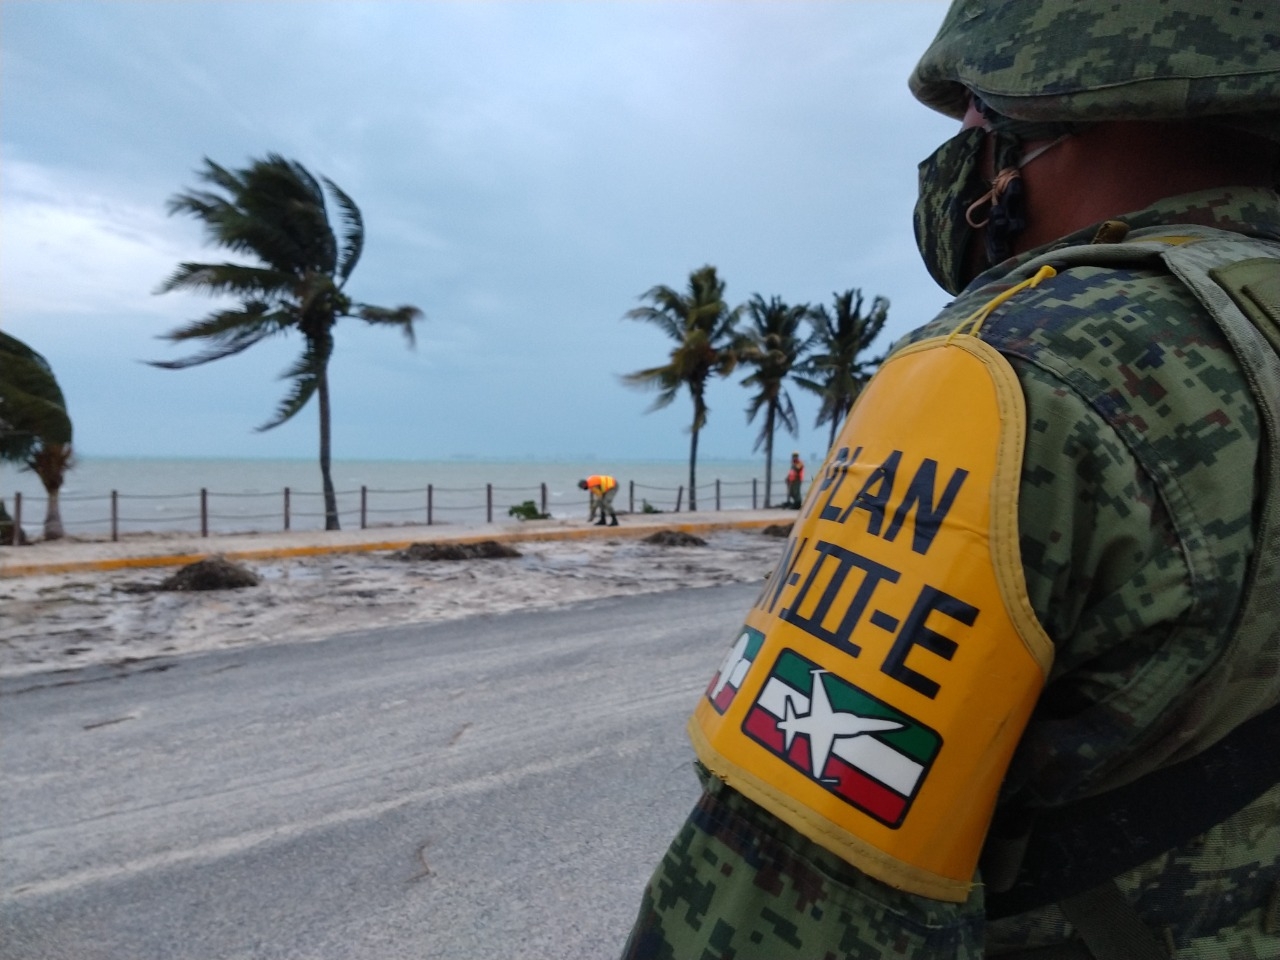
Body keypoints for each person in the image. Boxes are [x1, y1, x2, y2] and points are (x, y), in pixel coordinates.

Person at [620, 2, 1280, 958]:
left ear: (1060, 112)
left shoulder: (1010, 377)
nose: (961, 158)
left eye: (972, 117)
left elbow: (778, 913)